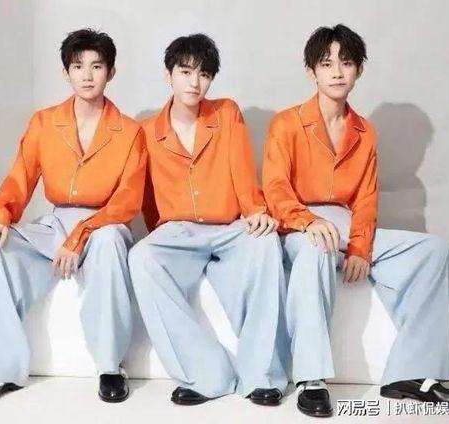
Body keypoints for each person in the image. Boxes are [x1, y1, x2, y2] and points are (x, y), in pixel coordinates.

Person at [262, 24, 449, 417]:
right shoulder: (287, 124)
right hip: (299, 225)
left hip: (344, 224)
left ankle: (413, 374)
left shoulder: (364, 132)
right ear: (311, 71)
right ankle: (311, 378)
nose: (337, 72)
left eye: (347, 62)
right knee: (316, 248)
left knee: (435, 251)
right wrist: (307, 221)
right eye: (326, 64)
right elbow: (275, 188)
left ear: (359, 70)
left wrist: (359, 247)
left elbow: (366, 198)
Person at [0, 28, 146, 406]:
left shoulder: (130, 131)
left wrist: (81, 234)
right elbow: (20, 177)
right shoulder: (45, 122)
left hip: (104, 224)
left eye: (96, 66)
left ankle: (110, 367)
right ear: (66, 73)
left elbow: (127, 200)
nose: (87, 75)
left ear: (111, 72)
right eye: (78, 66)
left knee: (110, 241)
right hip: (56, 222)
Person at [129, 33, 288, 406]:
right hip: (178, 230)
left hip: (230, 227)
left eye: (203, 74)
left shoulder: (226, 113)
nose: (194, 82)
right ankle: (207, 373)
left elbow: (242, 168)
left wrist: (255, 210)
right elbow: (145, 195)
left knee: (266, 244)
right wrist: (162, 231)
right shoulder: (147, 131)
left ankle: (262, 376)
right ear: (169, 75)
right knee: (141, 257)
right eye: (186, 72)